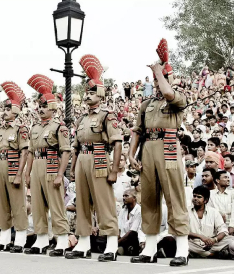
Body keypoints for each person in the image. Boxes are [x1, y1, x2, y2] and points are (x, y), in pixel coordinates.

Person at [129, 39, 189, 266]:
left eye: (161, 77)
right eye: (155, 78)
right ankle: (150, 248)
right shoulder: (147, 104)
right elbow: (138, 130)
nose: (156, 82)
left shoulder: (178, 97)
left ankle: (182, 250)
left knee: (175, 198)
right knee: (149, 200)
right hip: (149, 148)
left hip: (169, 148)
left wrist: (160, 70)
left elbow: (168, 93)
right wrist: (130, 154)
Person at [67, 54, 122, 262]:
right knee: (82, 202)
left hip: (99, 156)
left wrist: (115, 169)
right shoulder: (81, 118)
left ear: (101, 94)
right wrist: (72, 168)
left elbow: (117, 142)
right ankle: (83, 243)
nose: (88, 95)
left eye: (92, 92)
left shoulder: (107, 116)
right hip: (82, 158)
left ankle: (112, 244)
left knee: (103, 202)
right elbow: (76, 146)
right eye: (86, 92)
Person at [24, 74, 70, 257]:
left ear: (53, 108)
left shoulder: (60, 127)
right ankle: (41, 238)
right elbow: (30, 152)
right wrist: (27, 174)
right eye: (39, 106)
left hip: (52, 163)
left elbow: (65, 151)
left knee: (56, 203)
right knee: (37, 204)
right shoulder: (34, 128)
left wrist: (60, 174)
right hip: (37, 165)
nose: (41, 109)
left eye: (44, 106)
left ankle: (63, 239)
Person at [0, 82, 28, 253]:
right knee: (3, 205)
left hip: (14, 166)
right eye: (3, 108)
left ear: (16, 110)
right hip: (1, 167)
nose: (4, 111)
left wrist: (20, 174)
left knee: (17, 204)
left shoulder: (21, 129)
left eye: (7, 108)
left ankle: (20, 239)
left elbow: (24, 152)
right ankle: (4, 239)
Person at [188, 185, 234, 258]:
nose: (195, 198)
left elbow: (223, 230)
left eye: (199, 197)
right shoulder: (186, 212)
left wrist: (214, 239)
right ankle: (211, 254)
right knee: (179, 240)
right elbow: (182, 230)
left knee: (231, 239)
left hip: (212, 245)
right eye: (194, 196)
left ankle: (202, 253)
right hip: (193, 244)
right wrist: (200, 236)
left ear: (205, 200)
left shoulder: (214, 212)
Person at [117, 189, 142, 256]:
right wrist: (116, 239)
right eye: (123, 196)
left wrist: (117, 242)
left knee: (132, 234)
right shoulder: (123, 211)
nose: (124, 198)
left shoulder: (139, 211)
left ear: (134, 198)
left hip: (133, 238)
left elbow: (132, 231)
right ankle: (122, 248)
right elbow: (119, 228)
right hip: (123, 238)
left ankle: (124, 249)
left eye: (126, 196)